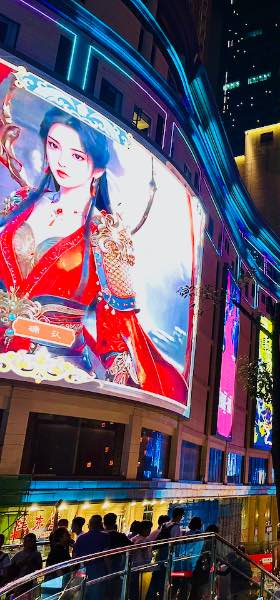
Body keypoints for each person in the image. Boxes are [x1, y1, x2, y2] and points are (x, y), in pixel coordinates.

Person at [0, 107, 187, 401]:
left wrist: (117, 390)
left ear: (98, 168)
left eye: (77, 155)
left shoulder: (106, 236)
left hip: (57, 369)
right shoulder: (18, 204)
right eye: (54, 145)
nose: (61, 160)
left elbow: (116, 328)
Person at [73, 514, 111, 600]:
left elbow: (75, 558)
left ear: (89, 525)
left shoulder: (81, 538)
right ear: (100, 525)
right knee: (96, 594)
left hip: (82, 570)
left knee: (81, 593)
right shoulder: (105, 537)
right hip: (98, 569)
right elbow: (106, 557)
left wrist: (73, 573)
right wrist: (110, 572)